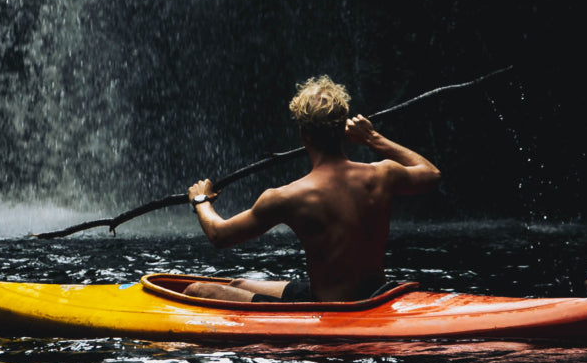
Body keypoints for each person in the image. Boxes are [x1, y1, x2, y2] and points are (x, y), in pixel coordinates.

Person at [184, 75, 441, 303]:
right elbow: (431, 173)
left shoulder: (287, 197)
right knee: (238, 285)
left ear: (303, 133)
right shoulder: (383, 173)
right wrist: (373, 138)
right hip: (375, 296)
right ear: (344, 131)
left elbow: (219, 236)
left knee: (198, 290)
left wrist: (200, 200)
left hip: (331, 309)